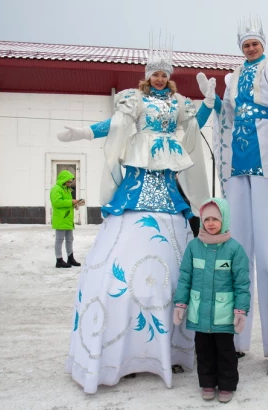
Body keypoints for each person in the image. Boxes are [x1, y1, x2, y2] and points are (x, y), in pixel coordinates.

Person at [57, 39, 212, 393]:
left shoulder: (177, 104)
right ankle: (121, 350)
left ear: (170, 78)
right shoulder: (135, 100)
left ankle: (172, 348)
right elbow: (113, 126)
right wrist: (82, 133)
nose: (159, 78)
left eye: (164, 74)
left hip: (170, 198)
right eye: (154, 74)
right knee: (122, 276)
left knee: (173, 276)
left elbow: (194, 126)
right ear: (147, 76)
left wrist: (210, 101)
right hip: (135, 192)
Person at [205, 16, 268, 377]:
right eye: (245, 44)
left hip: (265, 164)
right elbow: (226, 117)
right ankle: (237, 338)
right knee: (237, 251)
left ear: (263, 43)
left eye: (254, 43)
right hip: (237, 167)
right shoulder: (233, 75)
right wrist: (214, 101)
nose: (250, 48)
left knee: (267, 254)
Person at [173, 198, 251, 403]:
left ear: (224, 220)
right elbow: (185, 277)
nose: (210, 223)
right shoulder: (194, 247)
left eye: (215, 219)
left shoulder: (234, 249)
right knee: (204, 351)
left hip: (224, 315)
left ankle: (226, 385)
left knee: (225, 352)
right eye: (206, 219)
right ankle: (207, 383)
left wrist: (241, 310)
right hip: (199, 312)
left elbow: (242, 284)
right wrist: (180, 303)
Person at [50, 170, 83, 268]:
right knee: (59, 240)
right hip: (60, 219)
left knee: (70, 239)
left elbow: (66, 203)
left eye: (71, 182)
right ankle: (59, 260)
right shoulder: (56, 189)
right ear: (63, 180)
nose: (70, 184)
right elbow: (57, 203)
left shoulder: (67, 190)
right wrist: (71, 202)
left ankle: (70, 257)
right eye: (68, 182)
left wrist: (75, 204)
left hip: (67, 218)